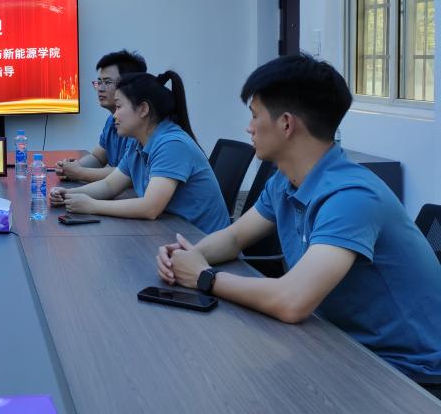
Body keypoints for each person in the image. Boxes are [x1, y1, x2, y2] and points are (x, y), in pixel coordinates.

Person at [156, 54, 441, 386]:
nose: (249, 127)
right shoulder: (285, 181)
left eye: (255, 115)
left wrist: (204, 277)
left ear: (286, 124)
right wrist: (187, 256)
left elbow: (292, 301)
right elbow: (234, 238)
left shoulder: (351, 197)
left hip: (409, 374)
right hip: (339, 344)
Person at [50, 71, 229, 234]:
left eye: (119, 107)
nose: (114, 115)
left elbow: (150, 208)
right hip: (173, 233)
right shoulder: (138, 143)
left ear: (143, 109)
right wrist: (69, 195)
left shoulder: (172, 144)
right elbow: (109, 186)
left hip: (202, 243)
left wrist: (92, 206)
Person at [55, 49, 147, 183]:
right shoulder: (112, 119)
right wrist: (71, 168)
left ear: (129, 84)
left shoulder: (138, 123)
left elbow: (127, 173)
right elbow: (98, 157)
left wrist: (78, 173)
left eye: (107, 82)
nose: (100, 88)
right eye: (99, 82)